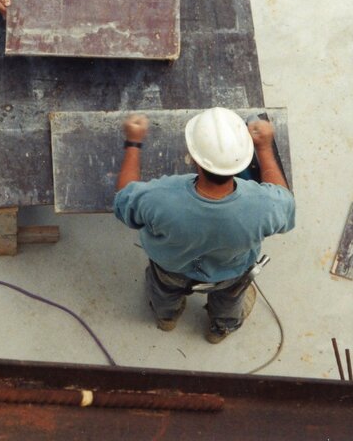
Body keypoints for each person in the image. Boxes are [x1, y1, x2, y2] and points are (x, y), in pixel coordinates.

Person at [113, 107, 295, 343]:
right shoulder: (265, 204)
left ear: (193, 156)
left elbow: (123, 201)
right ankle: (220, 329)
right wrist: (264, 148)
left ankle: (166, 318)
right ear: (242, 157)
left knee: (164, 293)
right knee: (230, 300)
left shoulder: (159, 197)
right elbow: (285, 202)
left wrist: (133, 143)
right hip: (232, 272)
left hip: (170, 269)